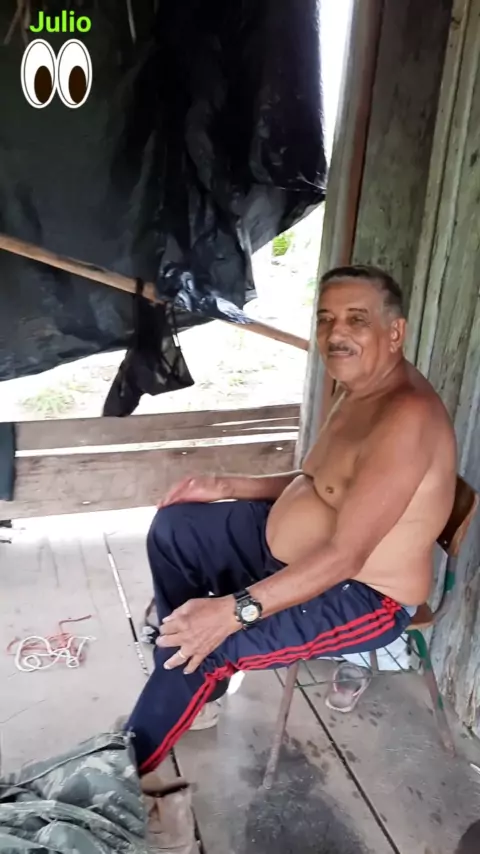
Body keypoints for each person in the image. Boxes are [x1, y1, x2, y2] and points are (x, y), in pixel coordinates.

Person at [125, 264, 457, 776]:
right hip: (293, 550)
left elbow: (347, 556)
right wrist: (226, 485)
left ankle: (119, 775)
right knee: (176, 530)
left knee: (211, 643)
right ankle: (190, 680)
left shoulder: (406, 417)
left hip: (363, 594)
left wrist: (232, 612)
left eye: (356, 319)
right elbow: (318, 479)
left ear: (395, 332)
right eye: (326, 318)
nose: (336, 333)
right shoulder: (359, 385)